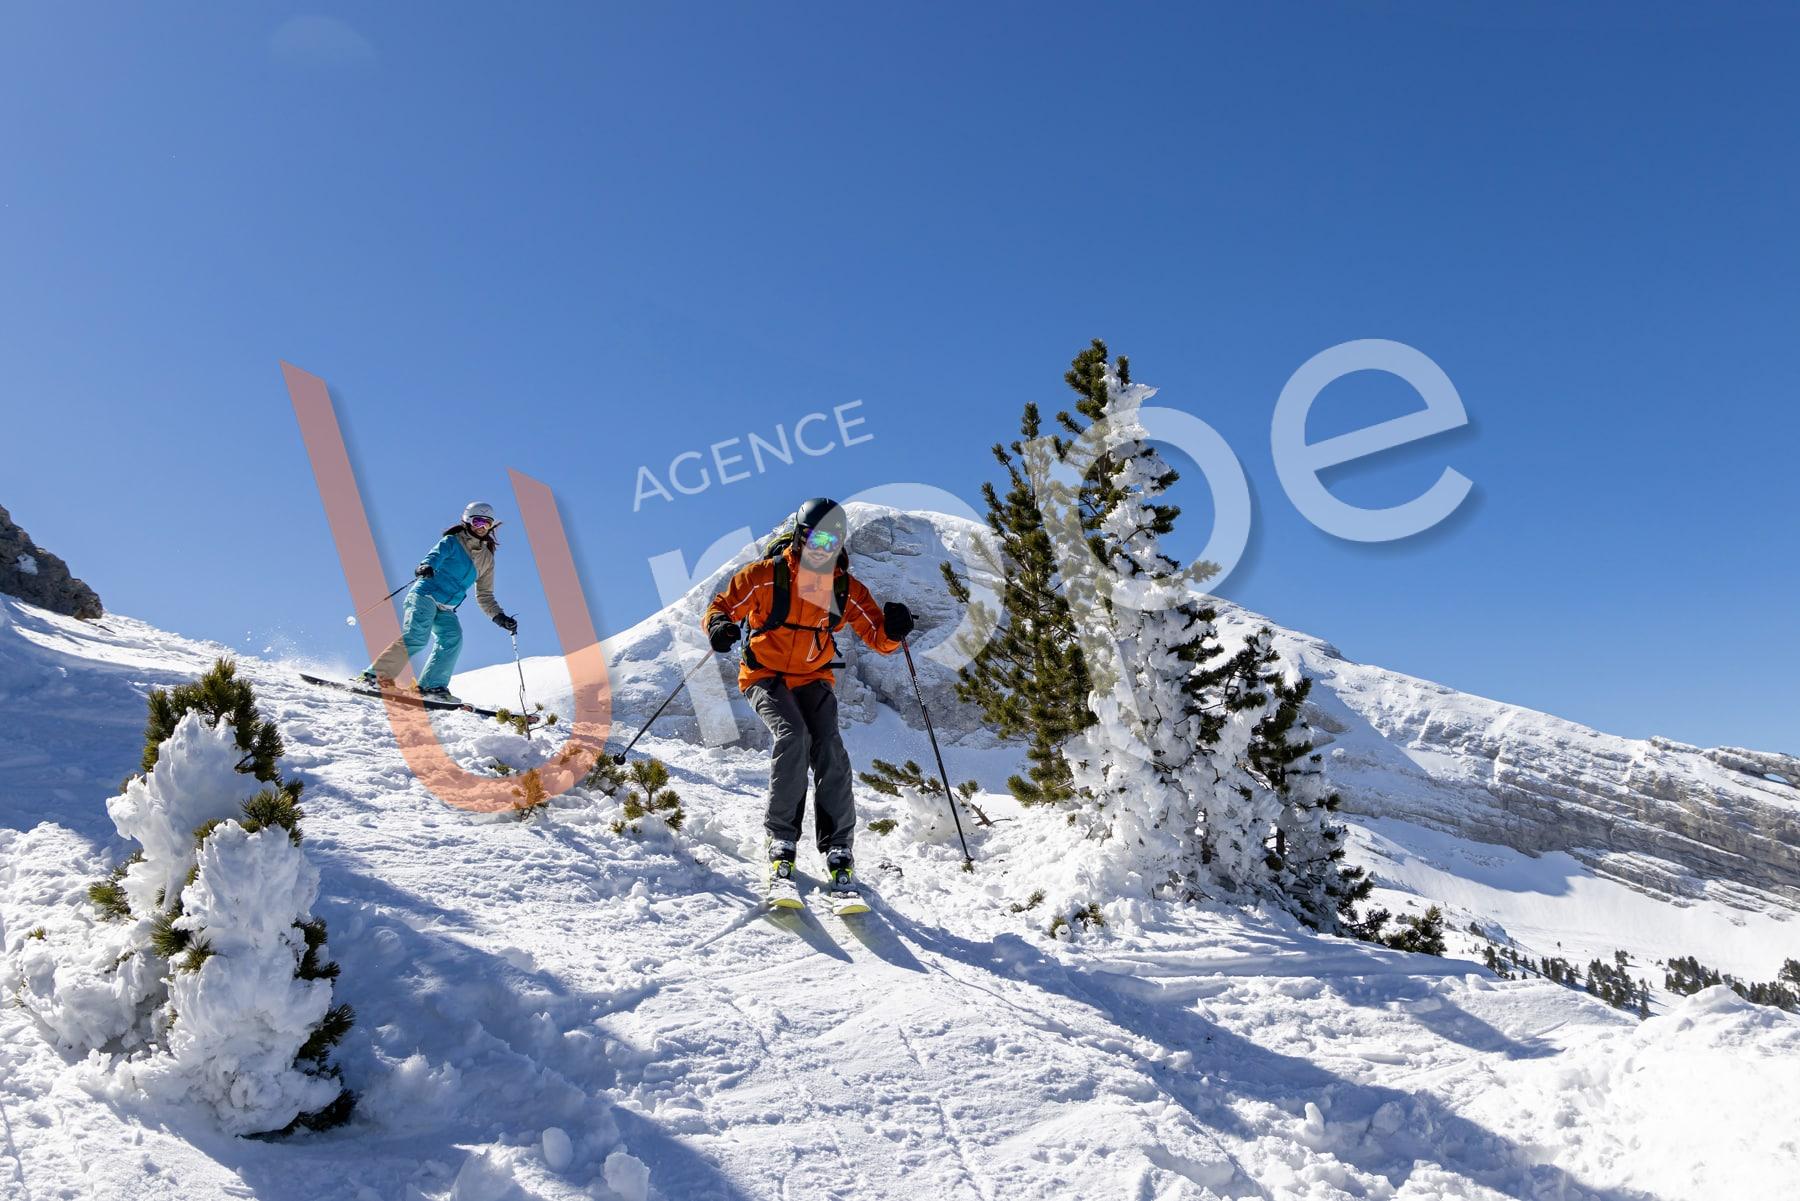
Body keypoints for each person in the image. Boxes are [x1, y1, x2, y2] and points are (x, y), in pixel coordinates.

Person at [702, 498, 914, 907]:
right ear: (800, 537)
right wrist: (720, 626)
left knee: (830, 747)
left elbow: (877, 637)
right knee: (793, 736)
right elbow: (721, 605)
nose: (822, 548)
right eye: (815, 539)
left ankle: (839, 850)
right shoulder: (767, 576)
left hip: (813, 677)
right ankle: (781, 842)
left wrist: (894, 629)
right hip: (765, 675)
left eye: (831, 541)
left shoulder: (843, 588)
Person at [361, 501, 519, 701]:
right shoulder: (452, 542)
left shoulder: (487, 559)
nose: (481, 527)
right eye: (478, 521)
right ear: (467, 521)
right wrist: (425, 567)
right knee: (417, 636)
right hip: (426, 595)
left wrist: (499, 616)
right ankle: (373, 677)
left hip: (446, 607)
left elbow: (485, 594)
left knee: (452, 639)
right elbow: (434, 556)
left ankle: (431, 688)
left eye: (486, 524)